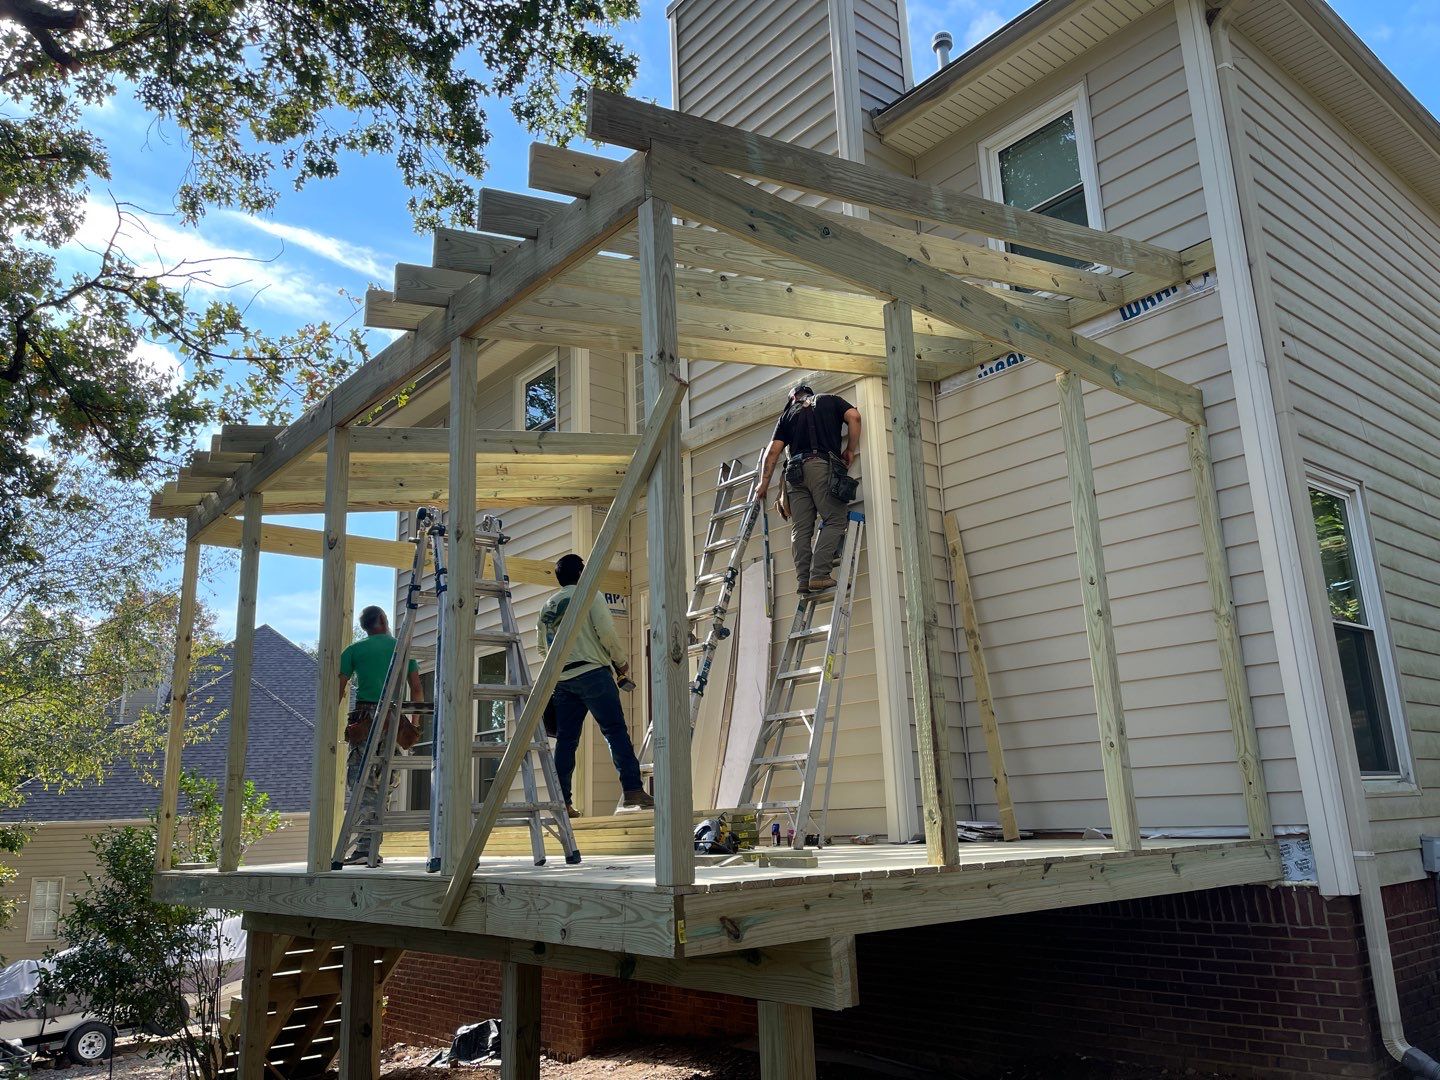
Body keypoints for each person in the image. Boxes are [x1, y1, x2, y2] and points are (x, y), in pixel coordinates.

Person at [538, 553, 653, 816]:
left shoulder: (548, 607)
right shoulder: (590, 595)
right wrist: (621, 662)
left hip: (563, 681)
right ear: (580, 574)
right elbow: (606, 632)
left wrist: (559, 669)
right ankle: (633, 790)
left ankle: (562, 803)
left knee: (566, 742)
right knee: (614, 732)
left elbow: (542, 649)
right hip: (593, 674)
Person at [754, 381, 862, 592]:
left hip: (794, 474)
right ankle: (819, 575)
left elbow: (773, 452)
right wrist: (850, 449)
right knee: (835, 519)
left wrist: (763, 484)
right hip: (821, 466)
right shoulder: (830, 400)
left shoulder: (787, 416)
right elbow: (854, 417)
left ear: (793, 399)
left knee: (801, 529)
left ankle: (803, 580)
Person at [337, 605, 423, 865]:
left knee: (362, 781)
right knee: (385, 781)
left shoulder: (353, 651)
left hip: (365, 719)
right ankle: (370, 845)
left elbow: (337, 691)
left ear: (365, 627)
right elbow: (417, 689)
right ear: (384, 621)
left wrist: (331, 725)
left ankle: (365, 847)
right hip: (393, 720)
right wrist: (415, 725)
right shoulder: (401, 648)